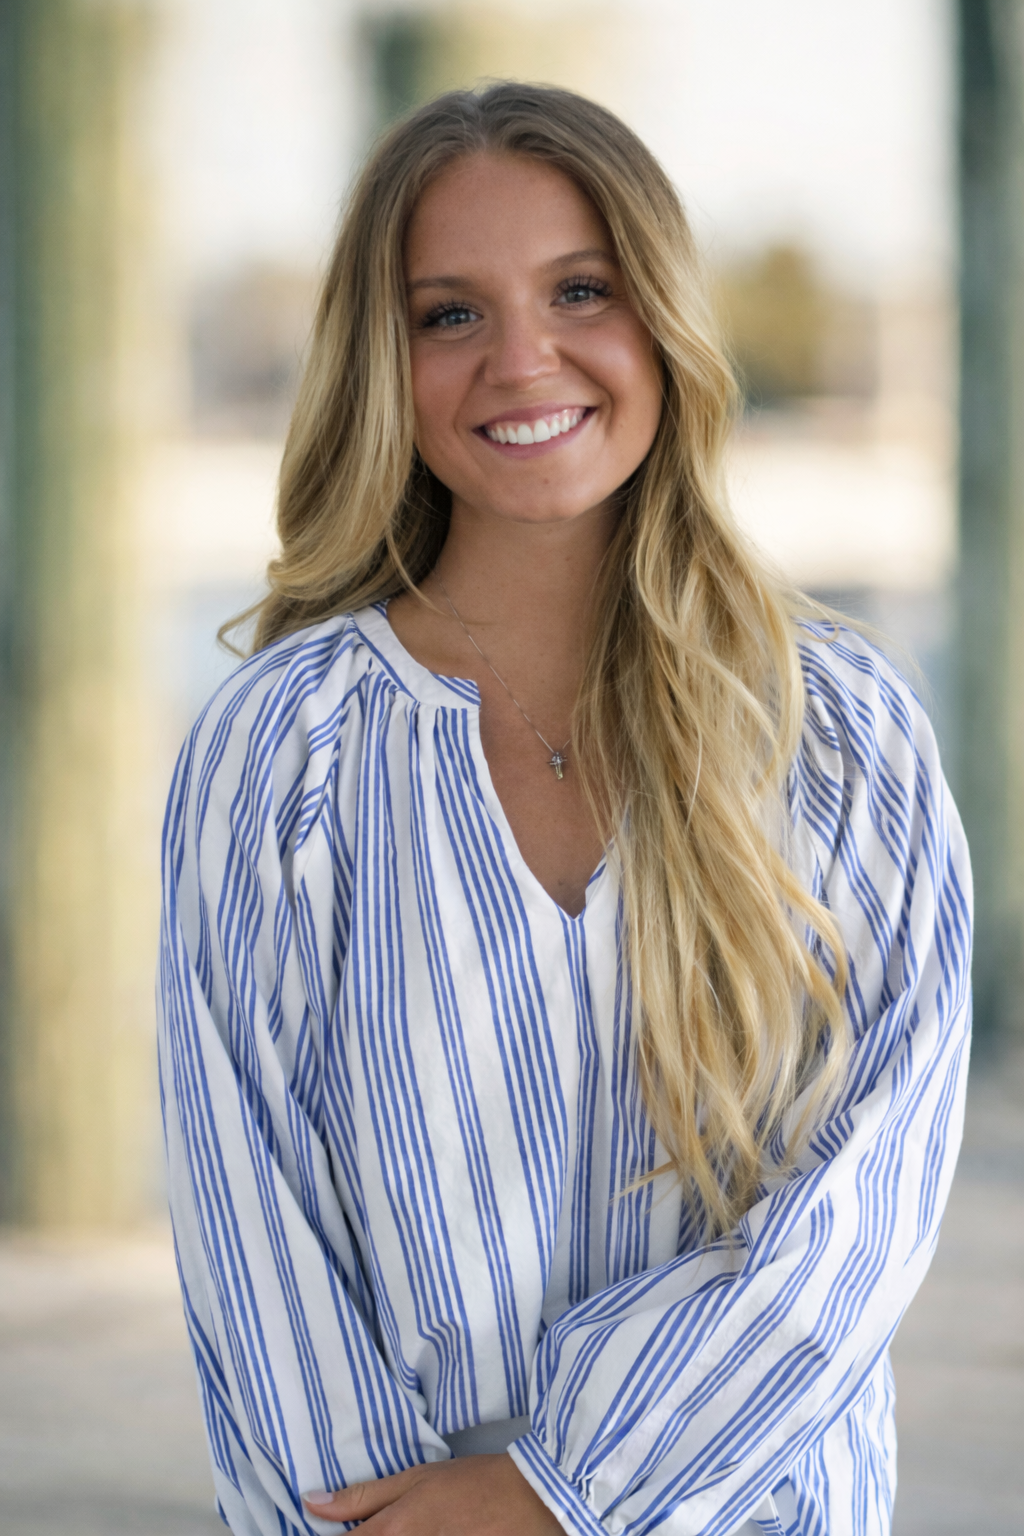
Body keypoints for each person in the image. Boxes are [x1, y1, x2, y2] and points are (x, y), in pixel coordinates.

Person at [158, 83, 972, 1536]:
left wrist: (560, 1492)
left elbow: (869, 1197)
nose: (523, 359)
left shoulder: (842, 734)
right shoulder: (283, 754)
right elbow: (248, 1226)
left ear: (661, 315)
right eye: (448, 314)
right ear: (380, 364)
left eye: (579, 288)